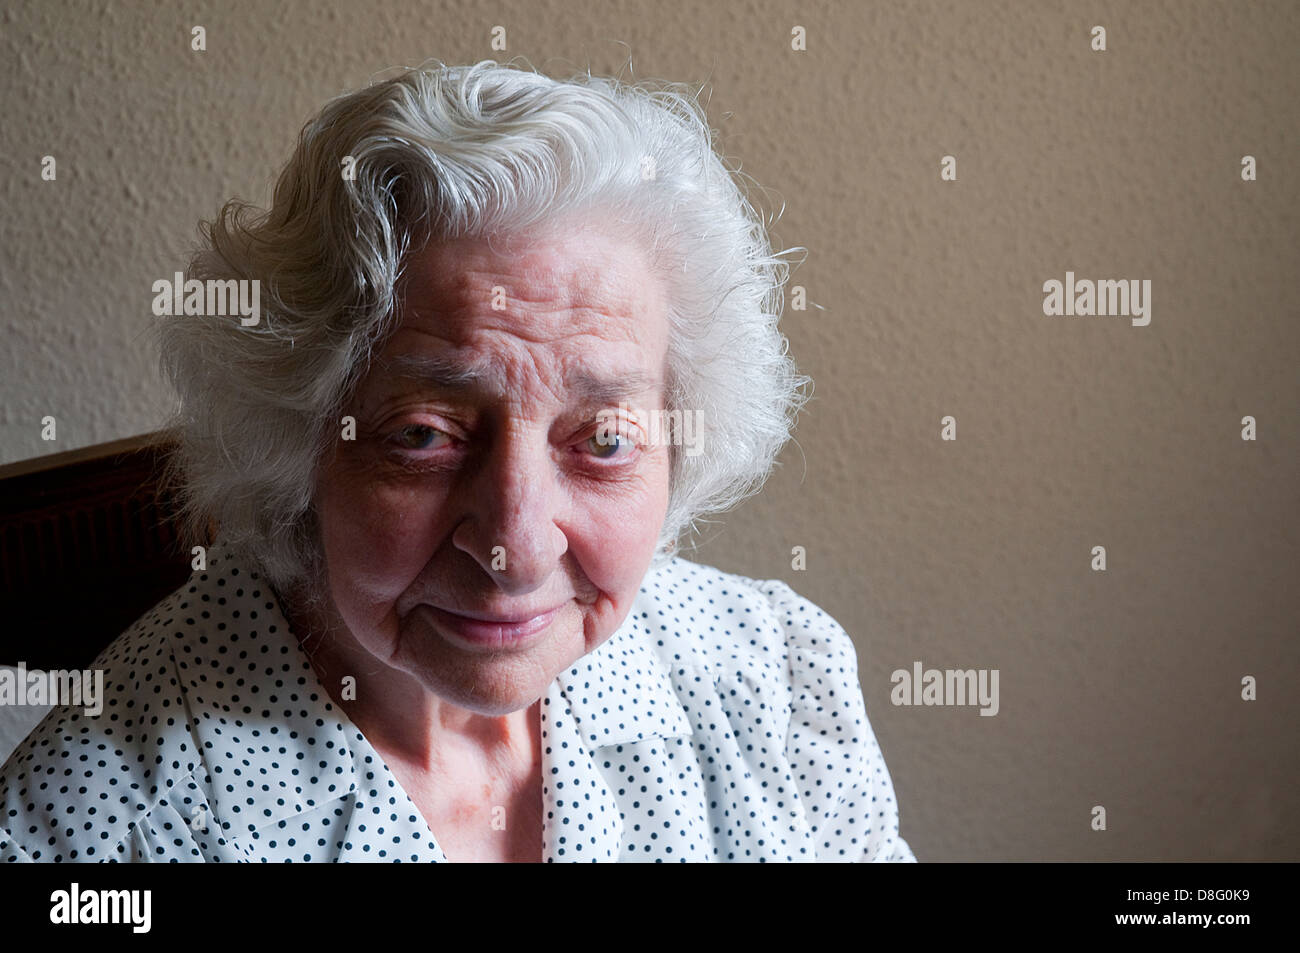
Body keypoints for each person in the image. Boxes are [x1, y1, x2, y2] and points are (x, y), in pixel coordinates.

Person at [0, 60, 915, 862]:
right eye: (426, 435)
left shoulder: (778, 687)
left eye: (602, 442)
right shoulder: (101, 824)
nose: (515, 545)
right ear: (298, 444)